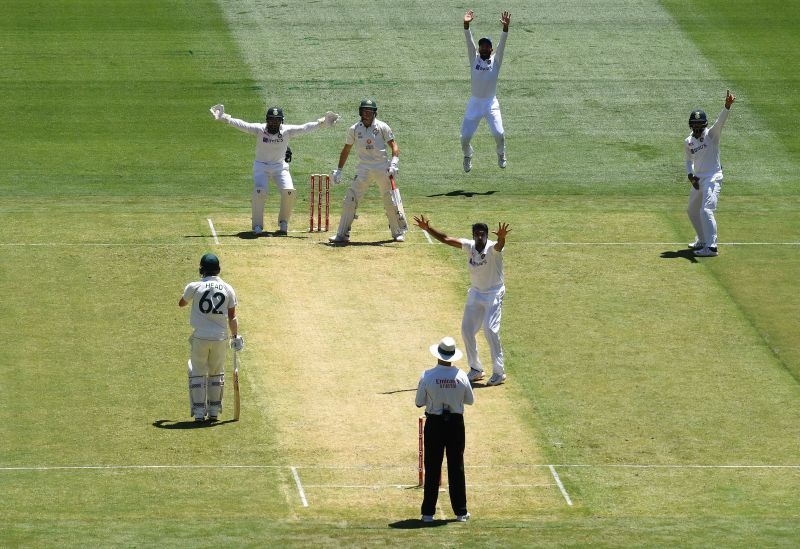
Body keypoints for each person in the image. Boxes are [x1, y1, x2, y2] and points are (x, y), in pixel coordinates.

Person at [210, 103, 340, 235]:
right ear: (267, 120)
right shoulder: (259, 129)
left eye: (277, 120)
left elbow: (304, 127)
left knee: (289, 192)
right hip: (261, 167)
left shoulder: (287, 131)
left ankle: (283, 223)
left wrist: (322, 122)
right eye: (271, 120)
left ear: (281, 121)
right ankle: (257, 226)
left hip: (280, 168)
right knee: (259, 192)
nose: (274, 123)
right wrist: (224, 117)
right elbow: (243, 124)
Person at [413, 215, 510, 386]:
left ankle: (499, 372)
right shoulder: (469, 246)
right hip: (476, 292)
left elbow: (499, 245)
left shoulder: (492, 248)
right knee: (466, 330)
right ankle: (476, 369)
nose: (480, 237)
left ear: (487, 235)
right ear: (473, 235)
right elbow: (446, 239)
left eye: (483, 234)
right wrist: (428, 228)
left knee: (490, 330)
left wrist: (501, 237)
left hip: (493, 293)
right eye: (477, 234)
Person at [328, 98, 406, 244]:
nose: (367, 114)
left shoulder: (382, 126)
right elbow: (346, 150)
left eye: (370, 111)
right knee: (349, 199)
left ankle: (397, 232)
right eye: (364, 111)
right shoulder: (354, 129)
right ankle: (342, 234)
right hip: (363, 168)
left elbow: (394, 146)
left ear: (374, 113)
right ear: (360, 112)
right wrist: (339, 170)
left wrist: (394, 163)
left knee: (389, 199)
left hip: (382, 167)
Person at [416, 336, 475, 523]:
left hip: (434, 423)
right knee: (456, 467)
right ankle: (460, 512)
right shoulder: (461, 376)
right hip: (456, 424)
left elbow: (419, 402)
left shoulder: (427, 375)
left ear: (438, 355)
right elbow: (470, 400)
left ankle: (427, 514)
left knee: (432, 467)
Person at [179, 253, 244, 421]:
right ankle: (214, 411)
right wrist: (235, 336)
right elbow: (232, 317)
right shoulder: (228, 288)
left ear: (202, 269)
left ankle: (199, 412)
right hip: (220, 337)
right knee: (216, 372)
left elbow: (182, 303)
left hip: (200, 337)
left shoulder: (194, 286)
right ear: (219, 269)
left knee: (197, 372)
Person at [685, 90, 735, 257]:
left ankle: (711, 247)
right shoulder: (689, 141)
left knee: (706, 210)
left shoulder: (712, 135)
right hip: (699, 179)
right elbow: (688, 160)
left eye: (700, 124)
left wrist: (727, 106)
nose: (698, 127)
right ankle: (701, 239)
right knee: (692, 211)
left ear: (705, 125)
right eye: (695, 124)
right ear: (691, 125)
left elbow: (720, 122)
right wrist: (690, 175)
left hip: (713, 177)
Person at [460, 9, 511, 173]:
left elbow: (501, 46)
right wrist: (466, 24)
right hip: (475, 102)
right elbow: (469, 42)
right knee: (464, 138)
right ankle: (468, 156)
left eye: (486, 46)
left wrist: (505, 29)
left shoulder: (496, 61)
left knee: (499, 133)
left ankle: (501, 154)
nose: (483, 48)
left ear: (491, 50)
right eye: (481, 46)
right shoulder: (473, 58)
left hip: (490, 103)